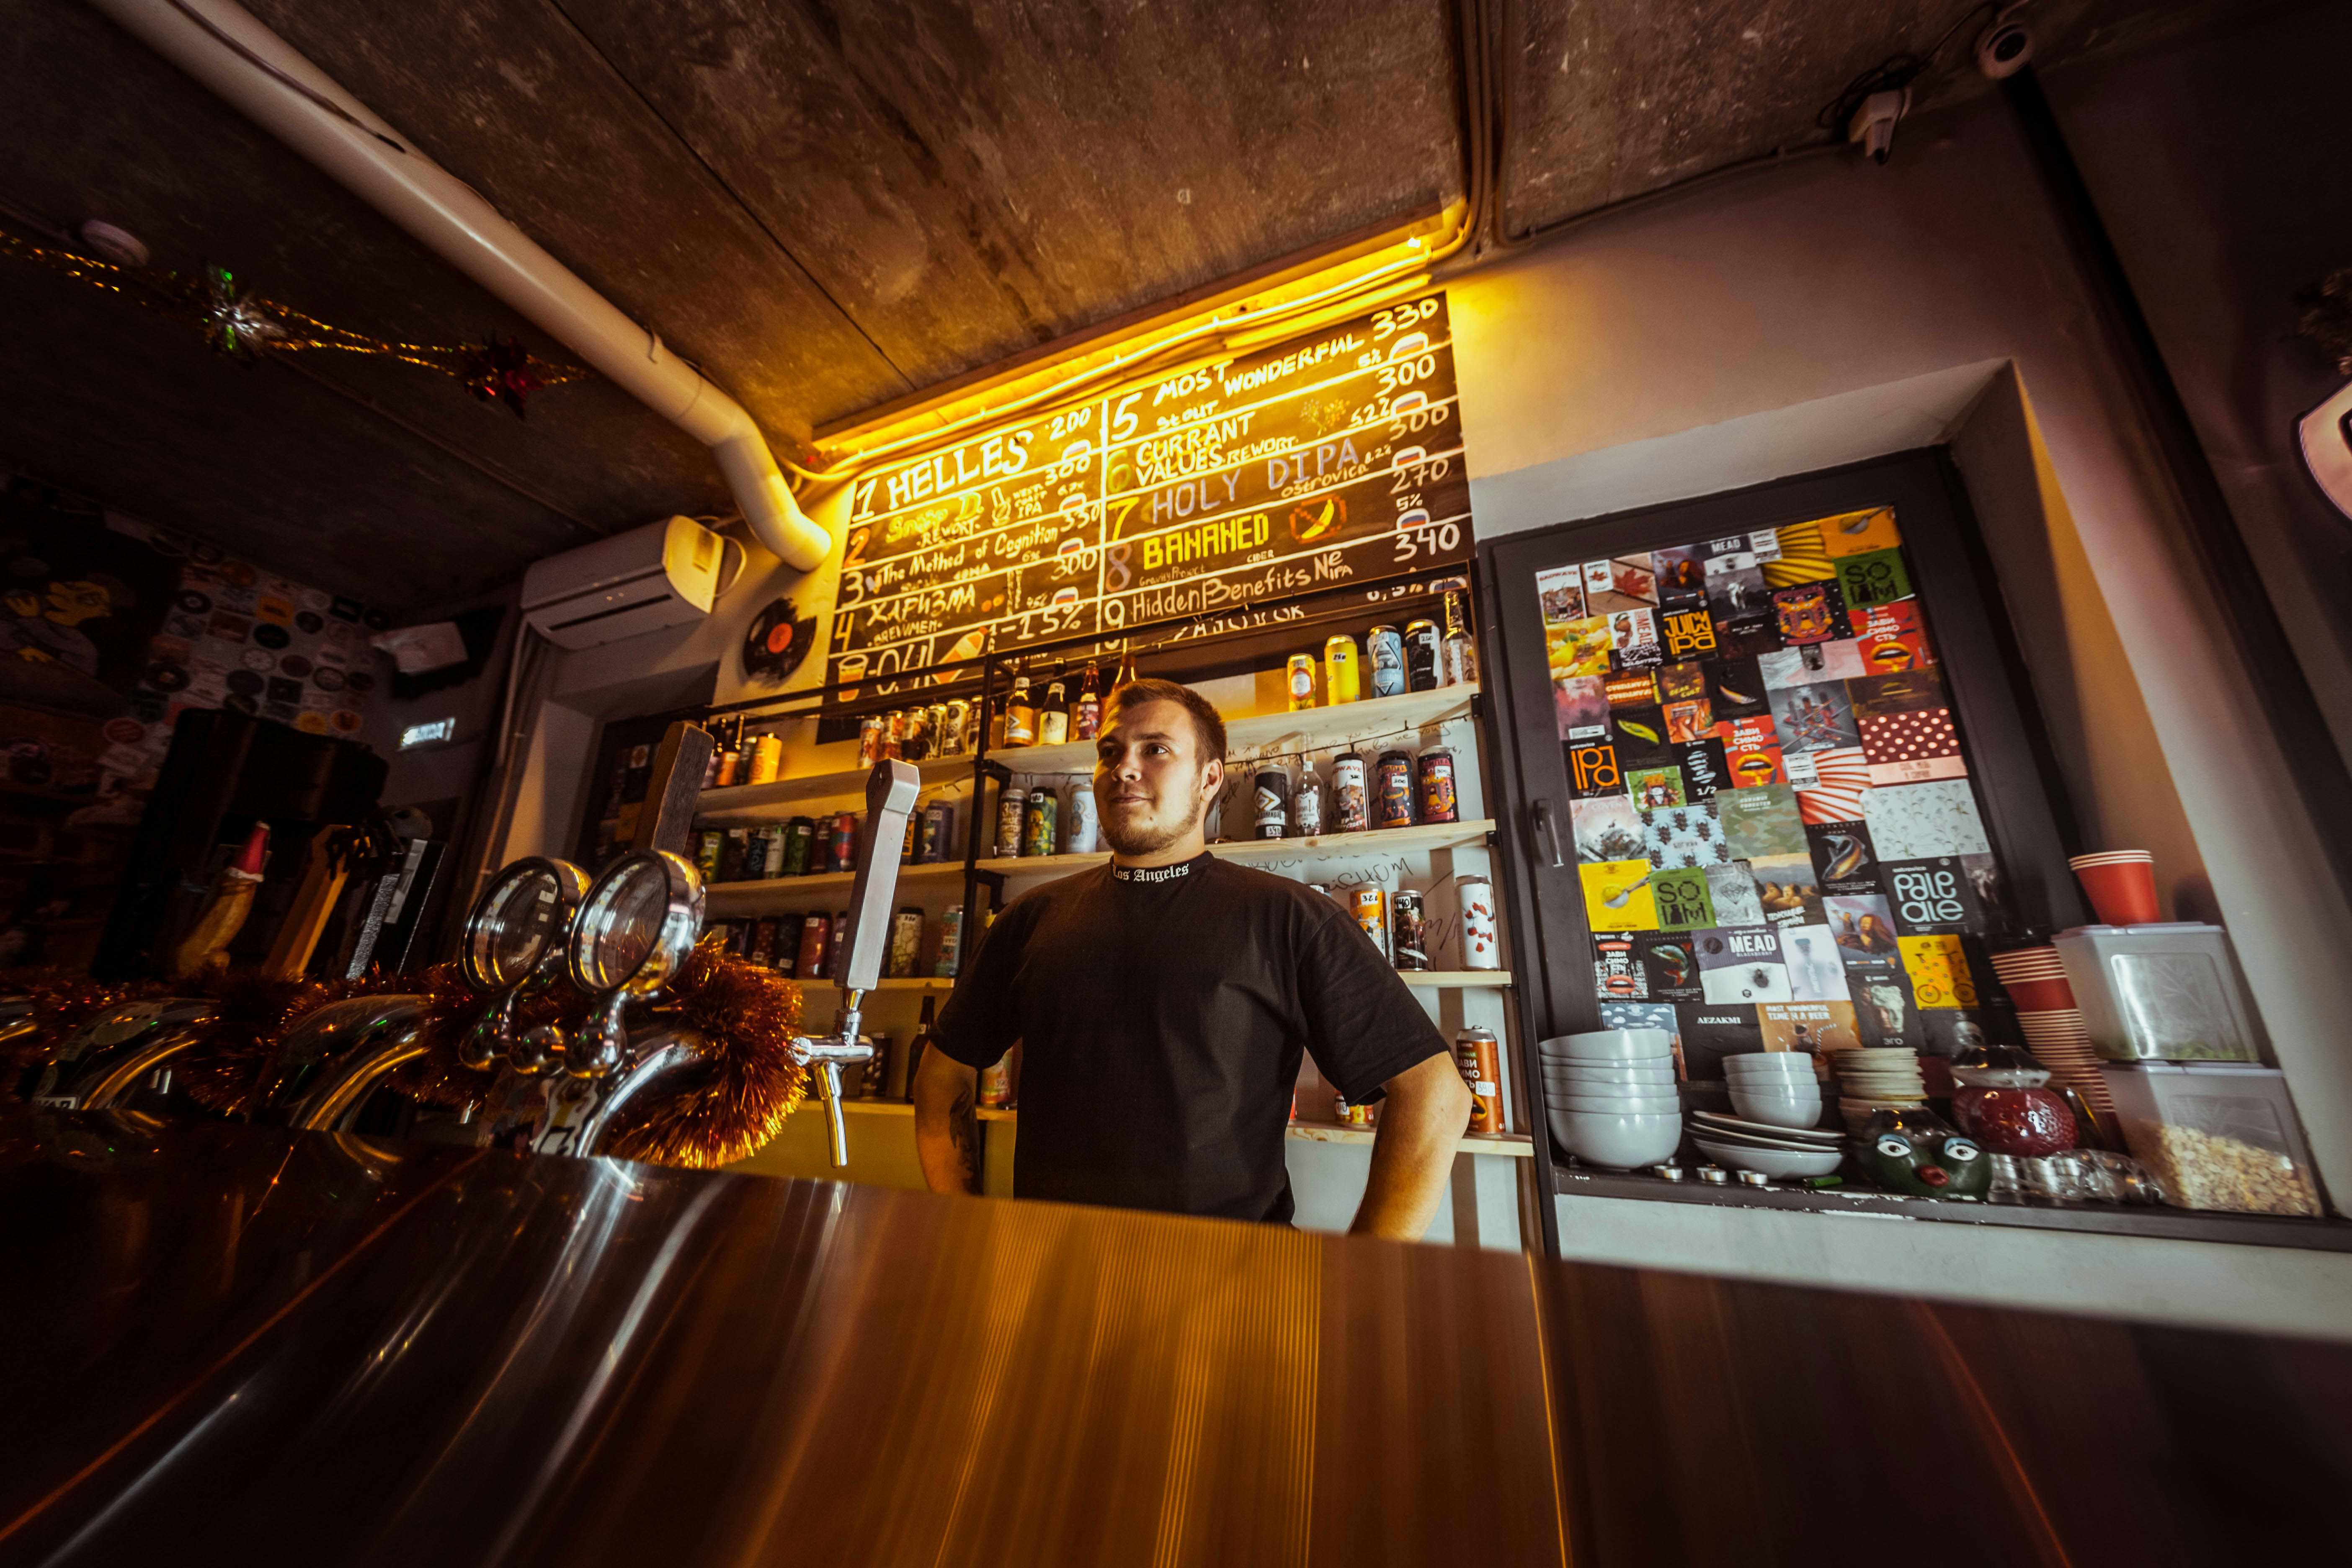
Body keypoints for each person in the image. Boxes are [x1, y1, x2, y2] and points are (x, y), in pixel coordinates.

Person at [914, 677, 1470, 1236]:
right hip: (1055, 1279)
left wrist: (1365, 1280)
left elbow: (1435, 1096)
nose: (1124, 767)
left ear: (1210, 779)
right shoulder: (1031, 918)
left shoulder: (1288, 918)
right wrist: (967, 1230)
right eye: (1110, 752)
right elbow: (943, 1079)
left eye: (1155, 749)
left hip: (1231, 1290)